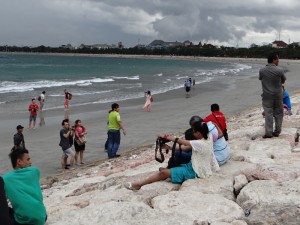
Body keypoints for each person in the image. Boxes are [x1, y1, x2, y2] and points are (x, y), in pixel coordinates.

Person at [125, 121, 220, 190]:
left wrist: (165, 136)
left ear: (199, 133)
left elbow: (181, 141)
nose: (193, 133)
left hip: (195, 172)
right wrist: (169, 148)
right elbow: (186, 147)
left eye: (194, 132)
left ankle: (138, 185)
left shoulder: (200, 143)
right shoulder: (209, 136)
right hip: (194, 165)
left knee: (162, 173)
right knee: (165, 170)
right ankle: (167, 173)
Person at [1, 148, 47, 225]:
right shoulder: (35, 171)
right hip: (42, 217)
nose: (30, 163)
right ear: (19, 161)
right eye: (28, 160)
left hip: (25, 221)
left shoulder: (5, 179)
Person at [259, 52, 286, 138]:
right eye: (277, 59)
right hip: (278, 95)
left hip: (267, 96)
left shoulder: (262, 70)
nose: (278, 60)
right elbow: (283, 80)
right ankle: (277, 132)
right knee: (279, 114)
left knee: (268, 114)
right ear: (274, 60)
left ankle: (269, 133)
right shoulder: (280, 70)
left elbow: (260, 78)